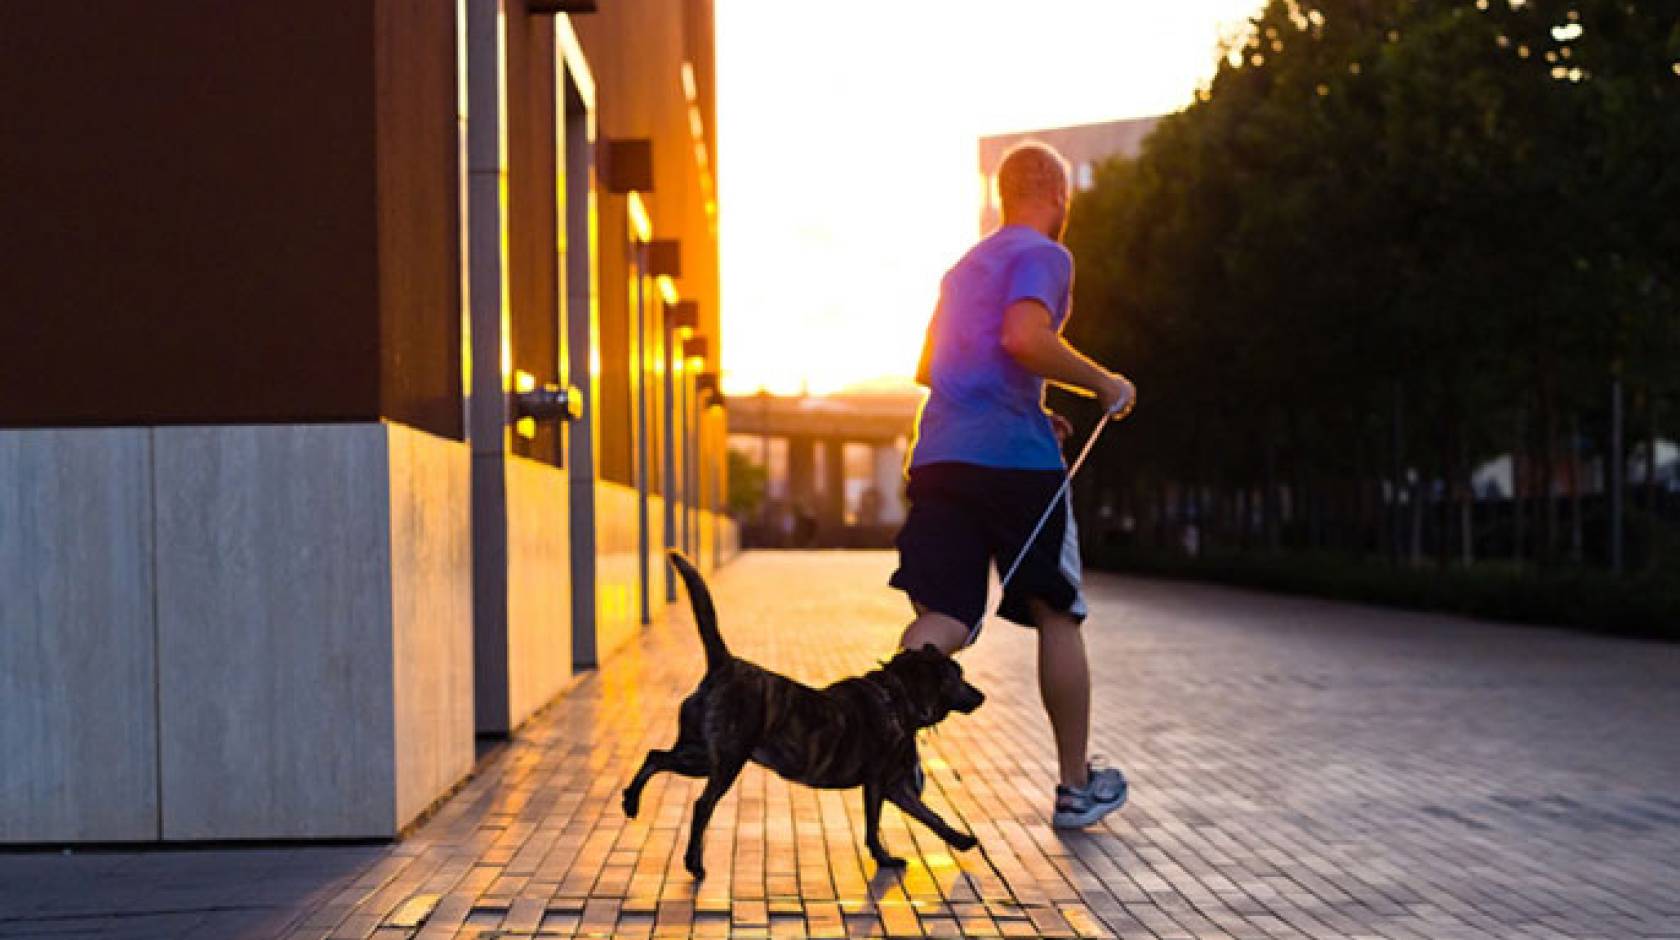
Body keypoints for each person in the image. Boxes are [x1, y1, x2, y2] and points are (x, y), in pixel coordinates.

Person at [890, 141, 1137, 829]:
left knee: (946, 616)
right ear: (1059, 195)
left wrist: (1034, 408)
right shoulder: (1047, 254)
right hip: (1016, 468)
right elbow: (1024, 338)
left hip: (939, 454)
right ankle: (1075, 787)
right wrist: (1103, 383)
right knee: (1055, 611)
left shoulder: (961, 268)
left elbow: (934, 368)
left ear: (1002, 195)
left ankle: (892, 748)